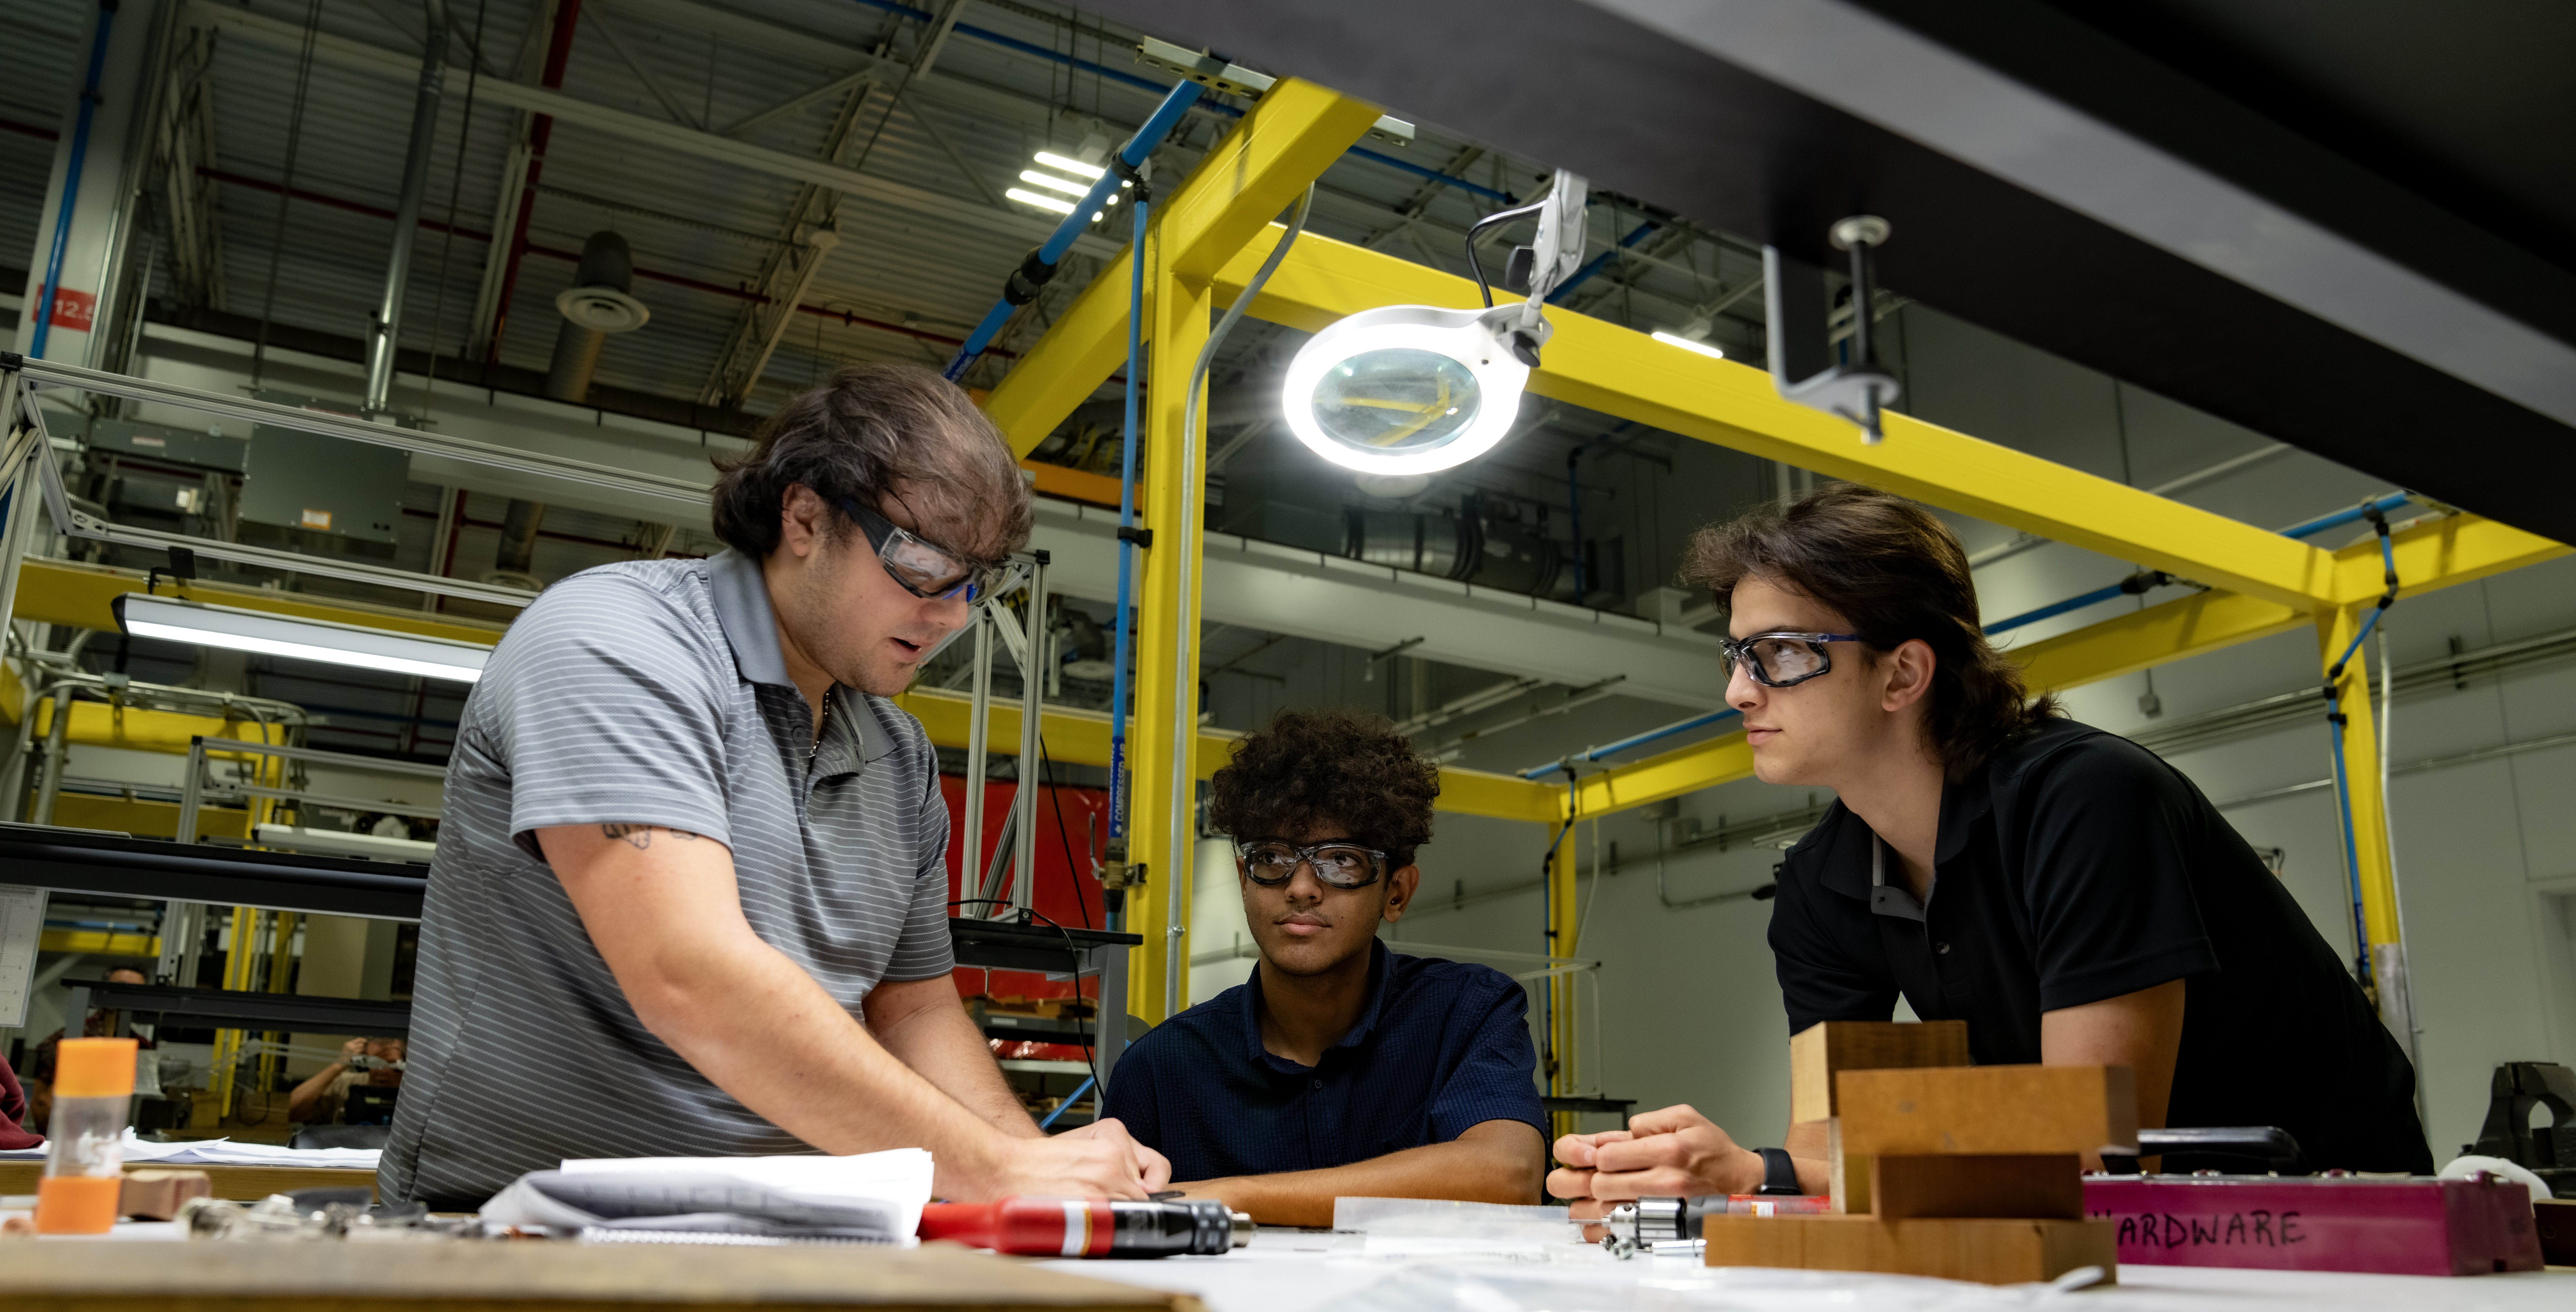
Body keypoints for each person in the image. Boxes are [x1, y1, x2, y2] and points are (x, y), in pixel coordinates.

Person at [381, 363, 1168, 1208]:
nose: (951, 616)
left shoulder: (897, 759)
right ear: (804, 517)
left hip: (784, 1237)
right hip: (518, 1237)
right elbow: (690, 977)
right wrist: (997, 1172)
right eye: (924, 565)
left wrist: (1045, 1177)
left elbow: (914, 1015)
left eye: (979, 582)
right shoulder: (619, 642)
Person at [1550, 485, 2431, 1216]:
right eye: (1737, 655)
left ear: (1903, 673)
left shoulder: (2086, 799)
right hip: (2113, 1229)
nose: (1741, 690)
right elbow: (1827, 1139)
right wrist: (1744, 1168)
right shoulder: (1824, 881)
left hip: (2335, 1218)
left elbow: (2098, 1149)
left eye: (1779, 653)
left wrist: (1761, 1172)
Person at [1103, 709, 1546, 1226]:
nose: (1301, 887)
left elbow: (1508, 1175)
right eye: (1272, 857)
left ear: (1397, 892)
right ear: (1244, 879)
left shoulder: (1466, 1013)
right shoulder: (1161, 1070)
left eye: (1342, 860)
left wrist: (1227, 1197)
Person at [288, 1037, 405, 1124]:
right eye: (374, 1062)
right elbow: (292, 1113)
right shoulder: (346, 1084)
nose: (382, 1071)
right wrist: (339, 1065)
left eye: (391, 1064)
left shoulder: (417, 1092)